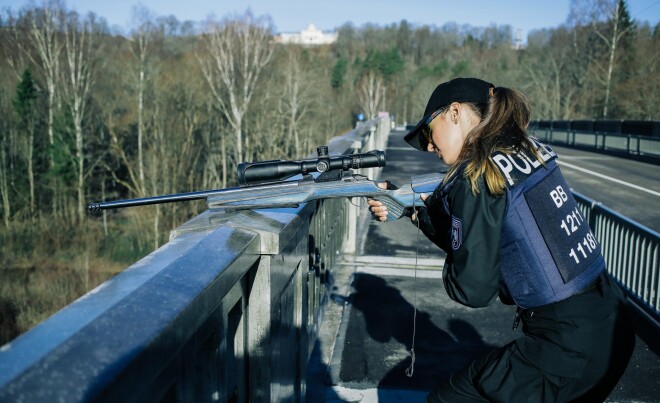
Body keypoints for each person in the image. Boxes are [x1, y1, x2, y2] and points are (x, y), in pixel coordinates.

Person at [368, 77, 635, 402]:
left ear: (454, 113)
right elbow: (494, 235)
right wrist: (414, 212)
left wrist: (444, 228)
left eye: (428, 131)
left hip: (563, 348)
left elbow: (474, 288)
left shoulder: (477, 177)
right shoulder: (522, 149)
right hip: (611, 324)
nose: (428, 146)